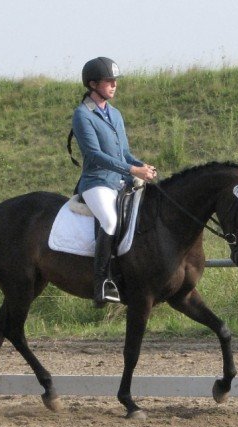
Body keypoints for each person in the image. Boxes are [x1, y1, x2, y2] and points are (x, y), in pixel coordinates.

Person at [71, 57, 157, 306]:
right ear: (93, 84)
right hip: (96, 182)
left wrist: (142, 166)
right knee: (109, 220)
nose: (114, 85)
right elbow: (95, 155)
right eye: (109, 81)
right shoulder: (82, 115)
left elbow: (124, 154)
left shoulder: (115, 114)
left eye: (115, 81)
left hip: (119, 180)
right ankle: (102, 283)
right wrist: (132, 169)